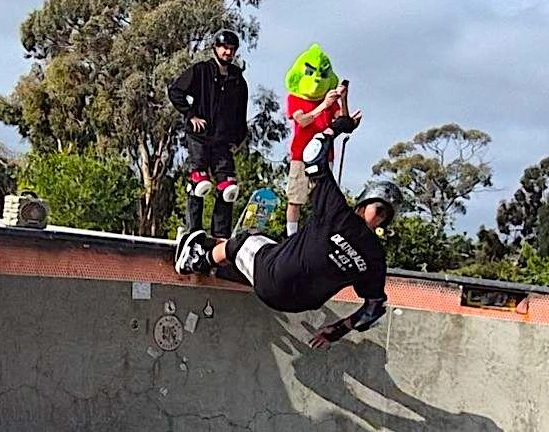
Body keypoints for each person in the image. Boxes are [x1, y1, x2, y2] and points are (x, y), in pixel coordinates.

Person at [174, 114, 399, 349]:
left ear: (362, 203)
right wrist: (337, 330)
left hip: (273, 277)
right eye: (381, 210)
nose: (380, 216)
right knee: (274, 247)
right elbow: (373, 308)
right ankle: (226, 271)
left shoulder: (338, 213)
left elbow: (312, 154)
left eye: (383, 213)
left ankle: (197, 259)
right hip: (294, 304)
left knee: (245, 240)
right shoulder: (374, 257)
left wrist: (339, 126)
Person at [167, 28, 249, 240]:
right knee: (200, 183)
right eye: (224, 48)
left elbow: (241, 113)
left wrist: (239, 138)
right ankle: (193, 230)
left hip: (223, 141)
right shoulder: (201, 71)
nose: (227, 53)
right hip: (200, 136)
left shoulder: (238, 80)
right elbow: (175, 91)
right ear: (215, 48)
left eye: (231, 50)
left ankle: (221, 235)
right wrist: (191, 115)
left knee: (228, 189)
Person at [283, 43, 355, 236]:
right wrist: (323, 105)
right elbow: (302, 120)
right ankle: (291, 235)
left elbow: (344, 122)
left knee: (322, 200)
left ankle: (318, 236)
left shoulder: (331, 101)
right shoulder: (295, 98)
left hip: (325, 157)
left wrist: (343, 99)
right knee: (295, 198)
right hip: (301, 155)